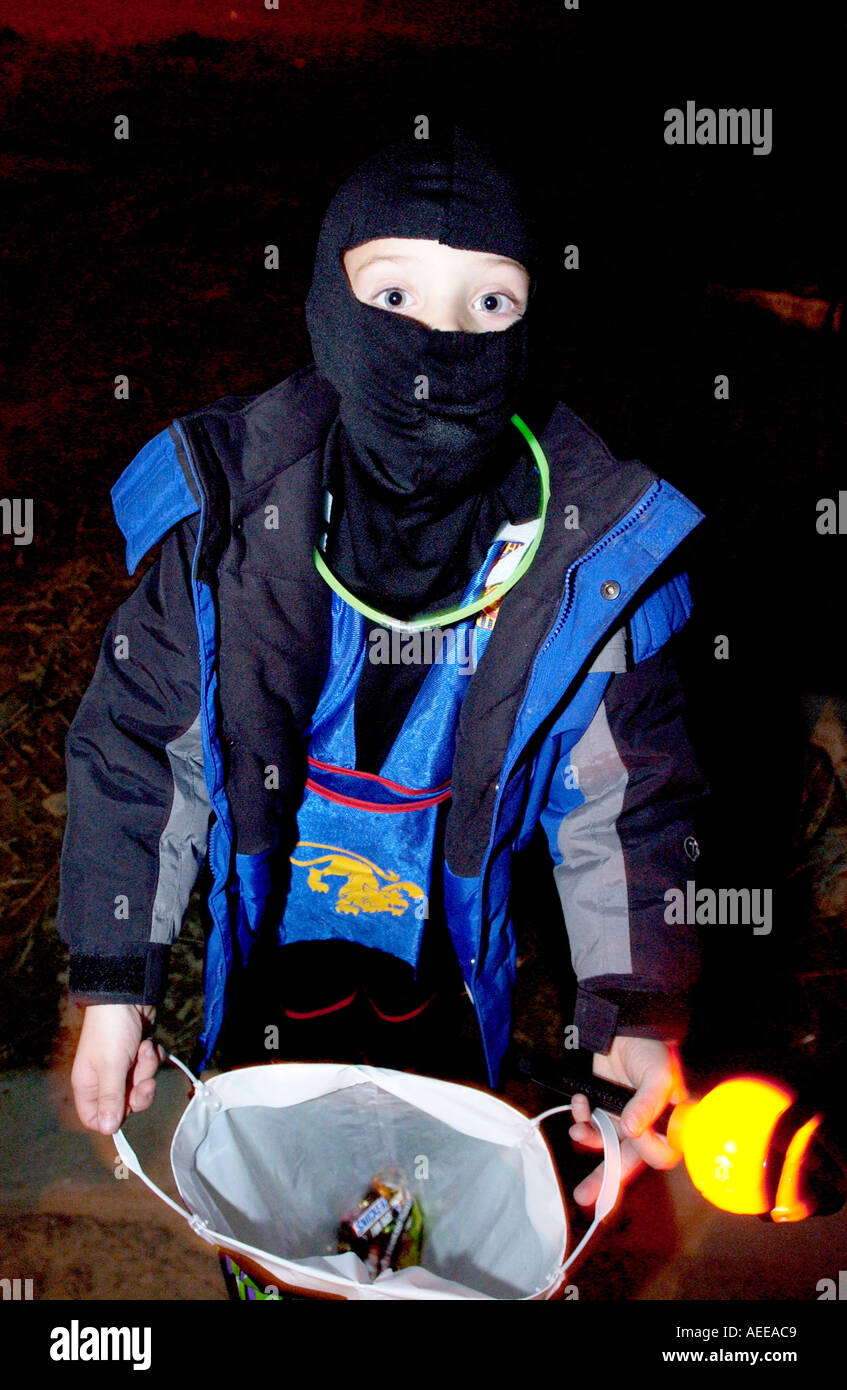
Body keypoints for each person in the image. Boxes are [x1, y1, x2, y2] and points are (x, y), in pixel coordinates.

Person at [59, 127, 707, 1209]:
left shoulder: (587, 555)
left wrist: (636, 1013)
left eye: (488, 304)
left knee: (416, 1226)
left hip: (449, 985)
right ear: (325, 305)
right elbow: (141, 751)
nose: (439, 342)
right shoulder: (223, 521)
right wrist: (116, 982)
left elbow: (625, 802)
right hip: (262, 971)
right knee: (273, 1217)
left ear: (532, 327)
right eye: (394, 292)